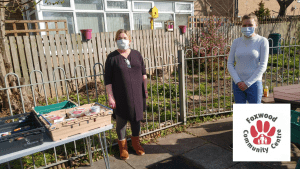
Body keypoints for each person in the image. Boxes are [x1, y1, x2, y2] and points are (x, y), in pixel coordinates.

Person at [227, 13, 269, 149]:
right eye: (244, 25)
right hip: (238, 83)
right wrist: (238, 81)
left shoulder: (262, 41)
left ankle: (254, 142)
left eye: (250, 25)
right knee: (240, 114)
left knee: (254, 114)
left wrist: (248, 83)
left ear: (256, 25)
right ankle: (240, 141)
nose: (247, 27)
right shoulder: (236, 42)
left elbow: (263, 65)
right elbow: (229, 64)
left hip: (254, 83)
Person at [104, 29, 148, 160]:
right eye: (119, 38)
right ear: (116, 40)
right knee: (121, 122)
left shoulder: (136, 54)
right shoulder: (112, 58)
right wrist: (110, 97)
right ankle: (123, 148)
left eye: (124, 37)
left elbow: (144, 74)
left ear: (130, 40)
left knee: (136, 120)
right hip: (121, 96)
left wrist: (145, 90)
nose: (122, 40)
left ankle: (136, 144)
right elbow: (108, 81)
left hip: (137, 95)